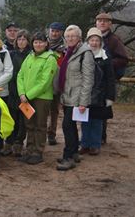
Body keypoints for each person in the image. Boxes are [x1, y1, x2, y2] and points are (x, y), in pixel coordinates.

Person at [56, 25, 94, 171]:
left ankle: (69, 157)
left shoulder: (85, 53)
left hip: (77, 97)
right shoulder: (69, 52)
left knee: (67, 125)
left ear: (79, 37)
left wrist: (83, 101)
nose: (70, 38)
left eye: (73, 36)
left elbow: (88, 79)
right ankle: (74, 152)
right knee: (70, 126)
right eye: (68, 36)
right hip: (67, 95)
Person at [17, 32, 58, 164]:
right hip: (26, 98)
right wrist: (22, 93)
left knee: (40, 125)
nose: (38, 44)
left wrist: (28, 95)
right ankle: (29, 150)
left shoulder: (50, 59)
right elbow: (20, 75)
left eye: (41, 42)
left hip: (42, 98)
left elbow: (44, 82)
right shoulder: (29, 57)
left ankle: (37, 151)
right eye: (35, 42)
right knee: (29, 125)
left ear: (46, 43)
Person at [80, 27, 116, 156]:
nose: (94, 43)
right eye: (92, 40)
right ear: (87, 41)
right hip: (85, 93)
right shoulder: (82, 55)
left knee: (97, 121)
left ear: (100, 42)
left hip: (100, 94)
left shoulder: (105, 57)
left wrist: (110, 97)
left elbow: (110, 78)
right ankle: (84, 144)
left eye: (97, 40)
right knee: (85, 121)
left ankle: (95, 145)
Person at [95, 12, 128, 144]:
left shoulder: (114, 39)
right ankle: (93, 137)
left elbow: (123, 59)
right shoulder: (93, 37)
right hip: (94, 79)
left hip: (106, 80)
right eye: (99, 20)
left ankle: (101, 137)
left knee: (103, 109)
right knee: (93, 108)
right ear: (96, 23)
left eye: (105, 21)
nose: (102, 23)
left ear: (110, 24)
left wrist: (106, 64)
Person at [5, 29, 31, 157]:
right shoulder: (11, 54)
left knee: (23, 120)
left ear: (28, 41)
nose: (21, 41)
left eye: (24, 39)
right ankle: (8, 142)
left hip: (26, 92)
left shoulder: (31, 55)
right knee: (11, 118)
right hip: (12, 90)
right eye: (19, 39)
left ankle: (19, 143)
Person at [46, 21, 66, 146]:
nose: (54, 33)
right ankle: (40, 133)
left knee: (54, 111)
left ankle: (52, 134)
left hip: (57, 83)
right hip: (42, 84)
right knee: (42, 111)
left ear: (61, 32)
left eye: (57, 31)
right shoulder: (42, 43)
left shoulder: (65, 47)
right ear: (49, 30)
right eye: (52, 30)